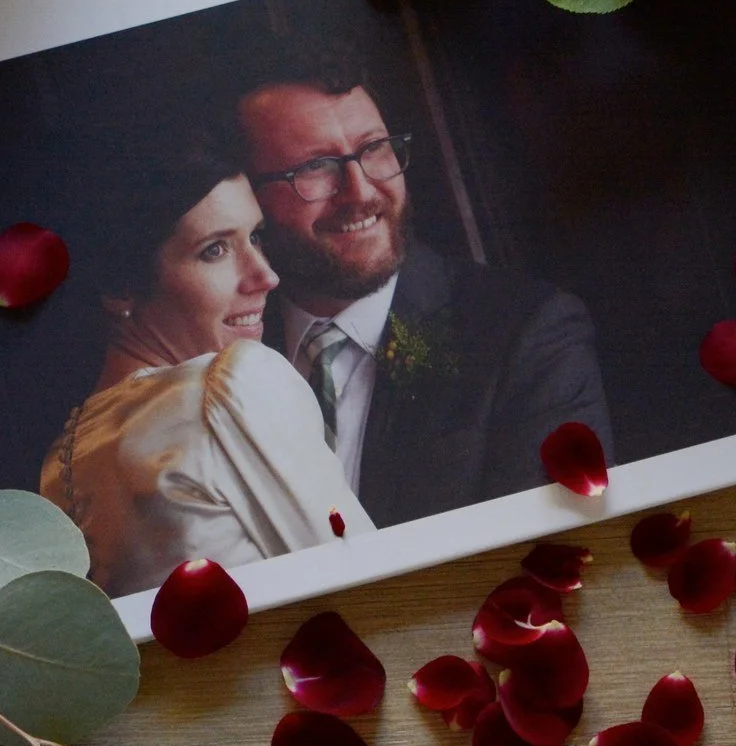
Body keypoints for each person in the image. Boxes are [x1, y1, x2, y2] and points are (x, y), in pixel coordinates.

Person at [236, 43, 613, 525]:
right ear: (248, 198)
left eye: (373, 149)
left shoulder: (527, 334)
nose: (362, 191)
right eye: (316, 167)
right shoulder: (218, 349)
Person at [39, 128, 370, 596]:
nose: (266, 276)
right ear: (121, 290)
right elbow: (371, 575)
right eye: (214, 250)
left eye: (256, 237)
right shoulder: (237, 382)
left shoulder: (59, 464)